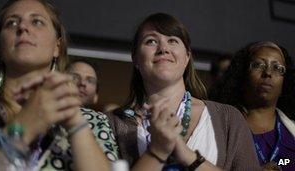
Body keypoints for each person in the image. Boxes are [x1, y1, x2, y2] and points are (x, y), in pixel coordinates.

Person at [107, 13, 261, 171]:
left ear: (187, 57)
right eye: (151, 41)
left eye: (173, 40)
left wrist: (188, 155)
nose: (163, 49)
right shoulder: (111, 124)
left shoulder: (228, 118)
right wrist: (157, 151)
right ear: (136, 59)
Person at [0, 0, 110, 170]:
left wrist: (76, 124)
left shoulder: (94, 121)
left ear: (57, 47)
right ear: (0, 49)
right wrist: (23, 127)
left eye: (37, 21)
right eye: (12, 23)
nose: (23, 27)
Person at [209, 41, 295, 171]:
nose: (268, 73)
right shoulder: (218, 126)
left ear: (285, 83)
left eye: (277, 68)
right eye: (258, 65)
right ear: (242, 76)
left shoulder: (291, 133)